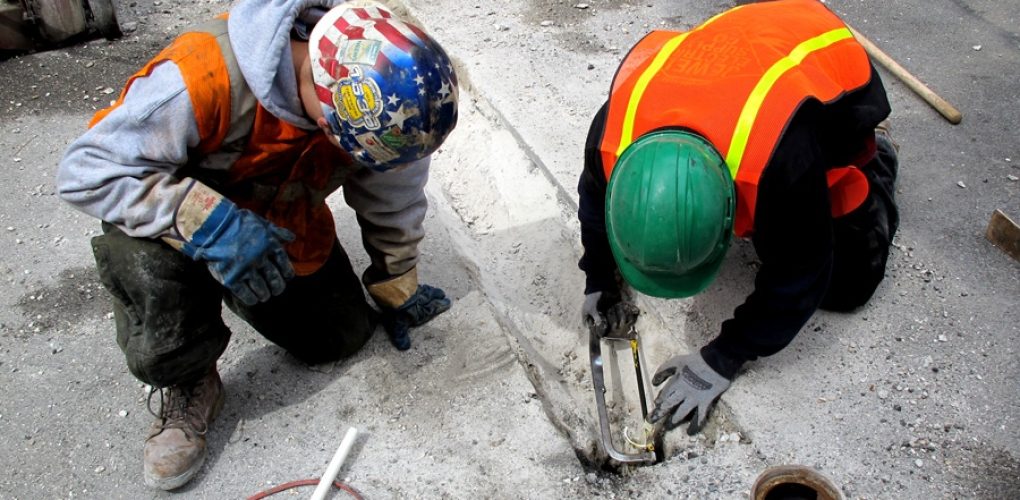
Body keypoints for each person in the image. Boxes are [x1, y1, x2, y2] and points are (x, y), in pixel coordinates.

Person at [56, 0, 458, 490]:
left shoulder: (396, 113)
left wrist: (396, 281)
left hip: (278, 224)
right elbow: (85, 171)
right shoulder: (201, 76)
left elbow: (393, 195)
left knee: (339, 337)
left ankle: (238, 285)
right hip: (174, 227)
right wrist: (209, 223)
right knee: (140, 257)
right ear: (322, 102)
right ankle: (188, 376)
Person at [577, 0, 898, 436]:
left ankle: (877, 161)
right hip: (734, 48)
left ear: (730, 207)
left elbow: (803, 271)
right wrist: (598, 276)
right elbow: (596, 206)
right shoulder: (610, 139)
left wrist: (725, 355)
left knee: (847, 284)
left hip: (823, 54)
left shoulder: (780, 164)